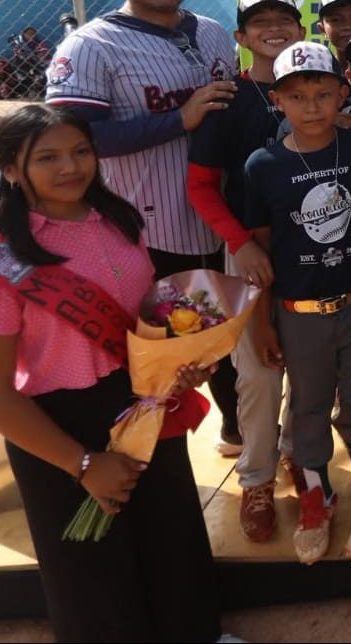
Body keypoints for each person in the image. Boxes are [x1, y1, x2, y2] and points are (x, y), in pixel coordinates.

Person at [0, 103, 226, 641]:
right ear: (10, 169)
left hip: (142, 398)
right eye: (48, 157)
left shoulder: (120, 220)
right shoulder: (9, 257)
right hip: (57, 423)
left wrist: (183, 358)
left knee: (171, 538)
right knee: (92, 573)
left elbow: (149, 315)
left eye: (81, 151)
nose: (70, 167)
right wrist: (81, 464)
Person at [45, 0, 243, 458]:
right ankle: (140, 461)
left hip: (223, 217)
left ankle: (238, 430)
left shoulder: (213, 31)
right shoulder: (90, 45)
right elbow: (73, 137)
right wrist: (178, 119)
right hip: (147, 230)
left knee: (230, 341)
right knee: (159, 362)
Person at [244, 41, 351, 565]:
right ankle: (316, 495)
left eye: (324, 94)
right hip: (297, 313)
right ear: (278, 101)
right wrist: (262, 324)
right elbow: (258, 253)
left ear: (343, 94)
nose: (311, 106)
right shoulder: (262, 166)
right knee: (306, 406)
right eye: (297, 95)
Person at [186, 0, 306, 543]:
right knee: (257, 371)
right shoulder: (229, 101)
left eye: (284, 19)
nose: (274, 29)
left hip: (319, 244)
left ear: (302, 29)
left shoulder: (324, 89)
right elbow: (201, 186)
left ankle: (298, 455)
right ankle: (256, 479)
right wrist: (239, 243)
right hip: (251, 251)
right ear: (240, 36)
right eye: (261, 22)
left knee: (311, 361)